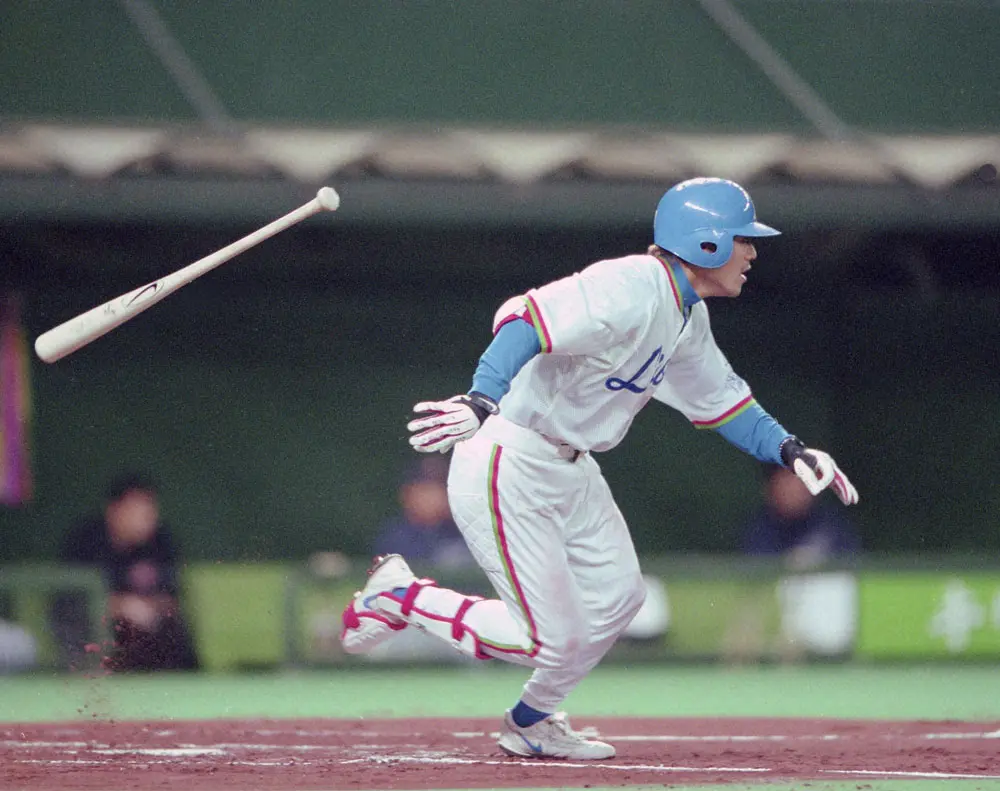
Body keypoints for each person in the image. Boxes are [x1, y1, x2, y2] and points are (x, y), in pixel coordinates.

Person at [339, 177, 859, 759]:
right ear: (706, 243)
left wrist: (790, 449)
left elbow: (722, 402)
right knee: (545, 638)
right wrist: (479, 399)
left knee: (620, 600)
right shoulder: (631, 283)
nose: (753, 252)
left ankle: (530, 721)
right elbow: (527, 320)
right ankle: (402, 596)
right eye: (743, 238)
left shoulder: (687, 315)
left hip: (573, 466)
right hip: (510, 456)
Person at [54, 472, 199, 672]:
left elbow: (173, 599)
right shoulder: (86, 541)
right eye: (136, 510)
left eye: (149, 509)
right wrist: (122, 606)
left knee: (169, 628)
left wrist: (147, 607)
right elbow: (71, 603)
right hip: (96, 631)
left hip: (146, 634)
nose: (146, 518)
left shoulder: (162, 541)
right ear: (114, 510)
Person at [373, 457, 475, 570]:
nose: (436, 496)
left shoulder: (465, 532)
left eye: (441, 487)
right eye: (427, 489)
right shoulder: (395, 537)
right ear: (408, 493)